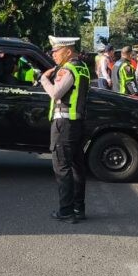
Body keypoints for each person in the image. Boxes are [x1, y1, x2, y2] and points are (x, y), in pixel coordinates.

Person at [41, 36, 90, 224]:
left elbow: (55, 93)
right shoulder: (82, 67)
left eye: (56, 51)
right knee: (77, 167)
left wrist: (44, 79)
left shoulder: (67, 69)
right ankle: (79, 208)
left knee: (62, 167)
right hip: (77, 123)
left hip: (64, 124)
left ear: (68, 51)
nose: (53, 54)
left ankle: (66, 210)